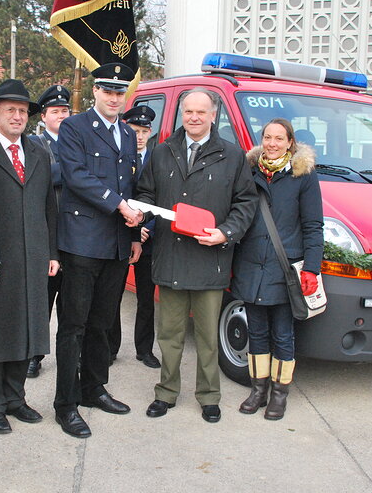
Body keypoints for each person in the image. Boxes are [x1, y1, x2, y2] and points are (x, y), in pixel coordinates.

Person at [136, 88, 257, 423]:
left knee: (207, 338)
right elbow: (146, 193)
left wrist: (225, 232)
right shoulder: (162, 153)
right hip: (171, 258)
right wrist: (141, 215)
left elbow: (246, 204)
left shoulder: (232, 156)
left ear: (213, 115)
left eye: (200, 112)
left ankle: (209, 397)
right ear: (181, 114)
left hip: (210, 260)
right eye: (188, 111)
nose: (193, 117)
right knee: (170, 335)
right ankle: (166, 393)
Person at [53, 62, 142, 438]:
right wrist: (118, 205)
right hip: (82, 242)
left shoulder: (126, 132)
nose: (113, 97)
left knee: (102, 323)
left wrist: (136, 235)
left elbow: (132, 184)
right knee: (73, 325)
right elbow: (76, 176)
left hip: (118, 244)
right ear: (95, 92)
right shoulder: (74, 128)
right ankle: (65, 403)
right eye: (107, 90)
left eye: (120, 92)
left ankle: (93, 388)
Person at [0, 79, 59, 434]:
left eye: (23, 111)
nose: (17, 116)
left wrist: (52, 251)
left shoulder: (38, 151)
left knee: (27, 326)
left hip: (34, 255)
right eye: (10, 109)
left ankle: (15, 397)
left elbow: (48, 206)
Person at [231, 118, 323, 420]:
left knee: (283, 334)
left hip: (284, 269)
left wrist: (312, 268)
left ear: (289, 143)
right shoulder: (249, 170)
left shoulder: (303, 175)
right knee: (256, 331)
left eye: (279, 139)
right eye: (267, 137)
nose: (272, 144)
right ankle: (258, 389)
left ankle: (279, 394)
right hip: (250, 265)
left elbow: (312, 225)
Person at [108, 105, 160, 369]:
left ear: (150, 132)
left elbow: (161, 198)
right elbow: (115, 195)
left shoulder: (158, 158)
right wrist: (132, 228)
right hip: (123, 234)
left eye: (144, 131)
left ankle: (145, 349)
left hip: (149, 237)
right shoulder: (119, 157)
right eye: (134, 130)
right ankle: (111, 348)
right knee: (113, 295)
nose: (139, 136)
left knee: (147, 299)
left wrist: (146, 226)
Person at [26, 83, 71, 378]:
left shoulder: (79, 142)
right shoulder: (35, 144)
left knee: (71, 305)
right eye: (55, 112)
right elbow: (40, 178)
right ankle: (34, 355)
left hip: (76, 235)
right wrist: (75, 171)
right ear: (43, 117)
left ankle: (72, 355)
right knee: (42, 302)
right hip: (47, 234)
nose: (62, 116)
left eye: (65, 111)